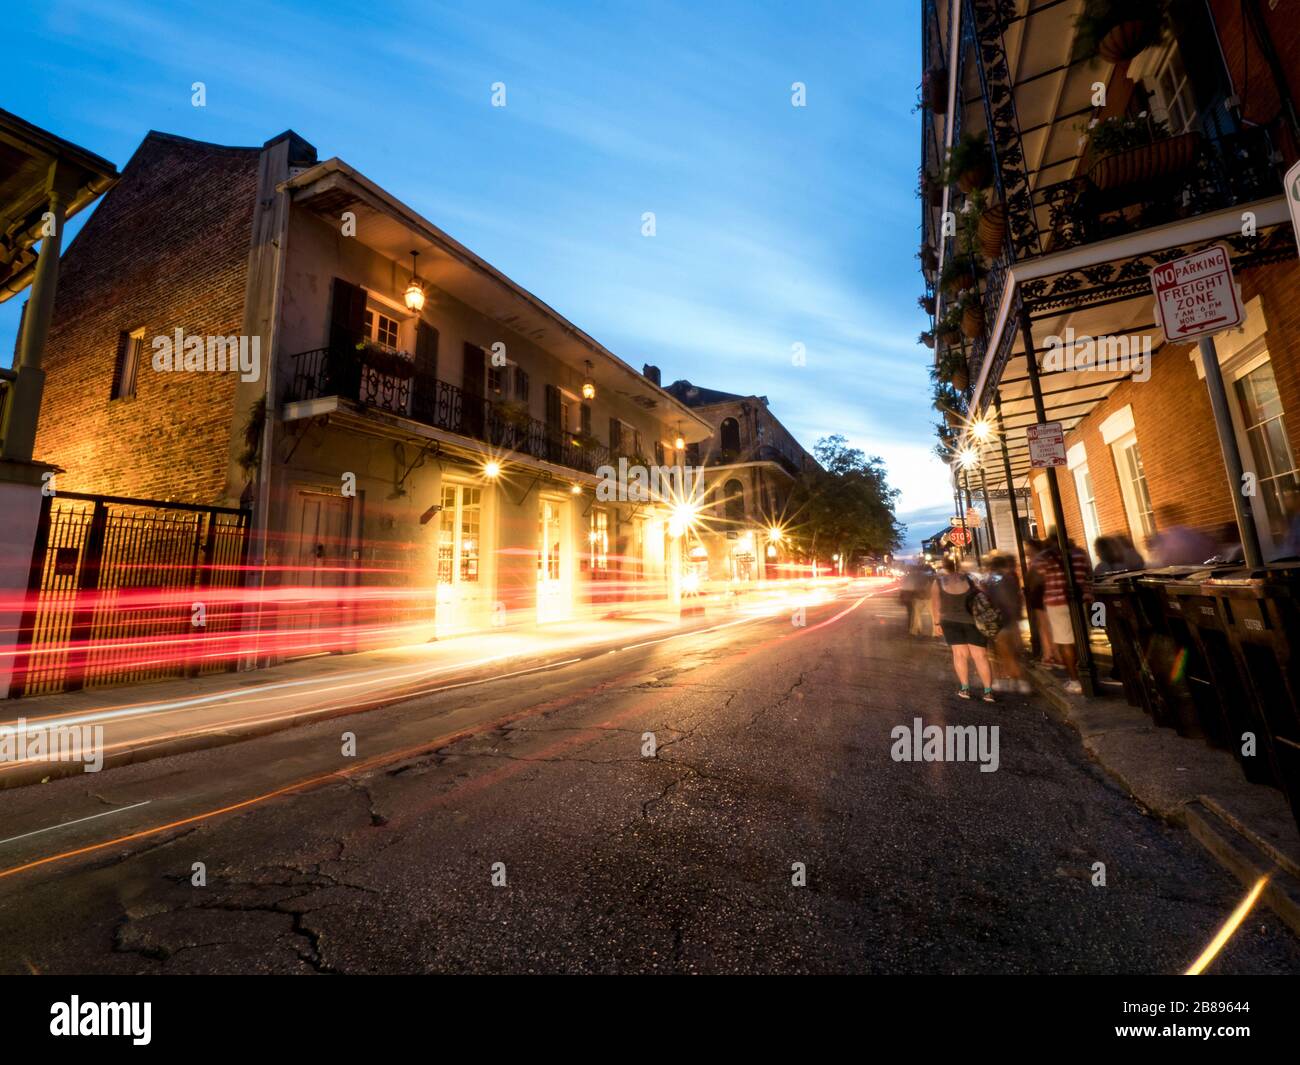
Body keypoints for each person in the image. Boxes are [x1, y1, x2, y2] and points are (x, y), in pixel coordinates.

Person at [1032, 532, 1093, 695]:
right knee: (1081, 639)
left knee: (1065, 642)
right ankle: (1089, 675)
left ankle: (1075, 680)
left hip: (1056, 602)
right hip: (1081, 601)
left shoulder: (1045, 556)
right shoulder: (1080, 554)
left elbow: (1036, 575)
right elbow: (1088, 573)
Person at [930, 556, 995, 701]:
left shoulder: (938, 582)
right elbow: (985, 595)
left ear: (943, 567)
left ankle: (965, 689)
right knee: (980, 656)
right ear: (958, 566)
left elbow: (936, 604)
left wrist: (936, 624)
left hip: (950, 622)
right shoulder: (971, 579)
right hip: (973, 621)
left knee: (959, 655)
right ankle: (988, 691)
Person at [985, 553, 1029, 693]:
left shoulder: (991, 580)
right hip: (1012, 619)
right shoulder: (1010, 578)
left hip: (998, 620)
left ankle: (1002, 680)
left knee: (998, 652)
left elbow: (989, 600)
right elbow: (1018, 598)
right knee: (1015, 651)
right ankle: (1019, 680)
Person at [1147, 504, 1216, 567]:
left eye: (1162, 517)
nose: (1160, 521)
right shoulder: (1166, 536)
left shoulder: (1182, 535)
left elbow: (1167, 559)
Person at [1023, 538, 1057, 665]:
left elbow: (1038, 578)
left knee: (1046, 625)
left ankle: (1052, 654)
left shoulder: (1039, 560)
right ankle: (1048, 653)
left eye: (1027, 546)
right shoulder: (1035, 560)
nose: (1025, 549)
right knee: (1043, 626)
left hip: (1042, 594)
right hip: (1038, 595)